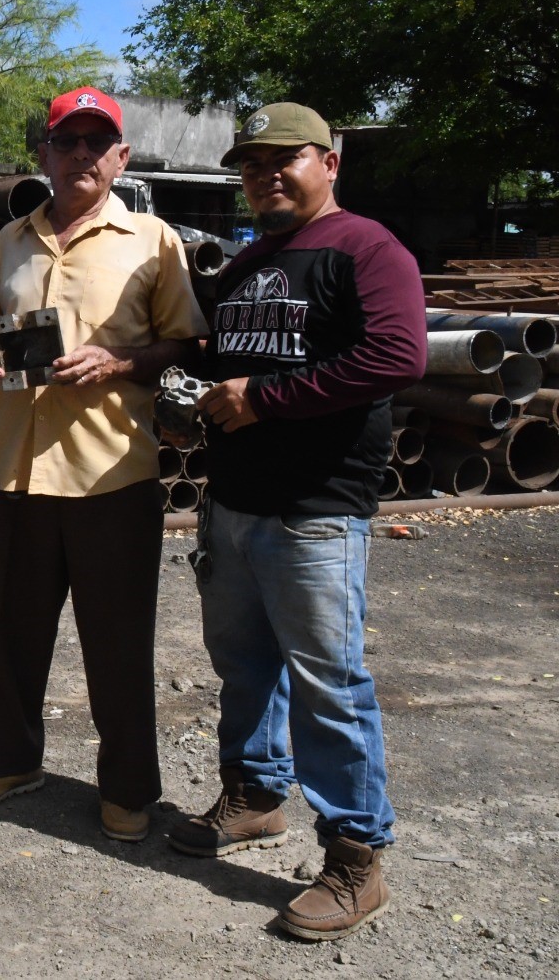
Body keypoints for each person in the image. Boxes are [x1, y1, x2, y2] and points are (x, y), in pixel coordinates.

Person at [173, 103, 425, 941]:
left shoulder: (366, 248)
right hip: (235, 501)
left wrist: (266, 399)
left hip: (317, 509)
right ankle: (253, 794)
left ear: (330, 161)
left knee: (328, 683)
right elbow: (218, 358)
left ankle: (358, 857)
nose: (267, 175)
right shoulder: (252, 260)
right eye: (252, 165)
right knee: (243, 665)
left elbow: (397, 355)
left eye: (286, 159)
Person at [0, 86, 207, 842]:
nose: (82, 155)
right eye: (69, 141)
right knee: (8, 629)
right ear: (46, 154)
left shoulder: (154, 240)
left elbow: (184, 344)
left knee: (118, 638)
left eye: (99, 143)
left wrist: (120, 359)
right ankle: (5, 758)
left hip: (110, 473)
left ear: (121, 157)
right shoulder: (10, 240)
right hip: (14, 469)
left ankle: (129, 787)